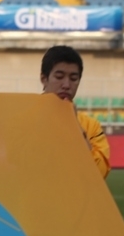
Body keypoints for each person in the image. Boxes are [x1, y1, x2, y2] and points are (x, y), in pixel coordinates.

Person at [39, 45, 110, 179]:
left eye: (73, 79)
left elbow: (99, 174)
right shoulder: (24, 118)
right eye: (59, 77)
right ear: (44, 79)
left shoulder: (91, 126)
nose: (66, 85)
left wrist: (76, 127)